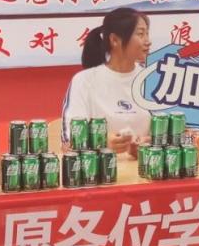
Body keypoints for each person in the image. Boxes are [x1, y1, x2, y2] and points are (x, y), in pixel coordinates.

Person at [61, 8, 152, 156]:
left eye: (147, 33)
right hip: (98, 167)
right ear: (115, 40)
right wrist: (100, 142)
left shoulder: (152, 79)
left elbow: (176, 131)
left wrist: (150, 142)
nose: (148, 41)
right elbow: (70, 137)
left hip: (146, 166)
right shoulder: (84, 81)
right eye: (141, 34)